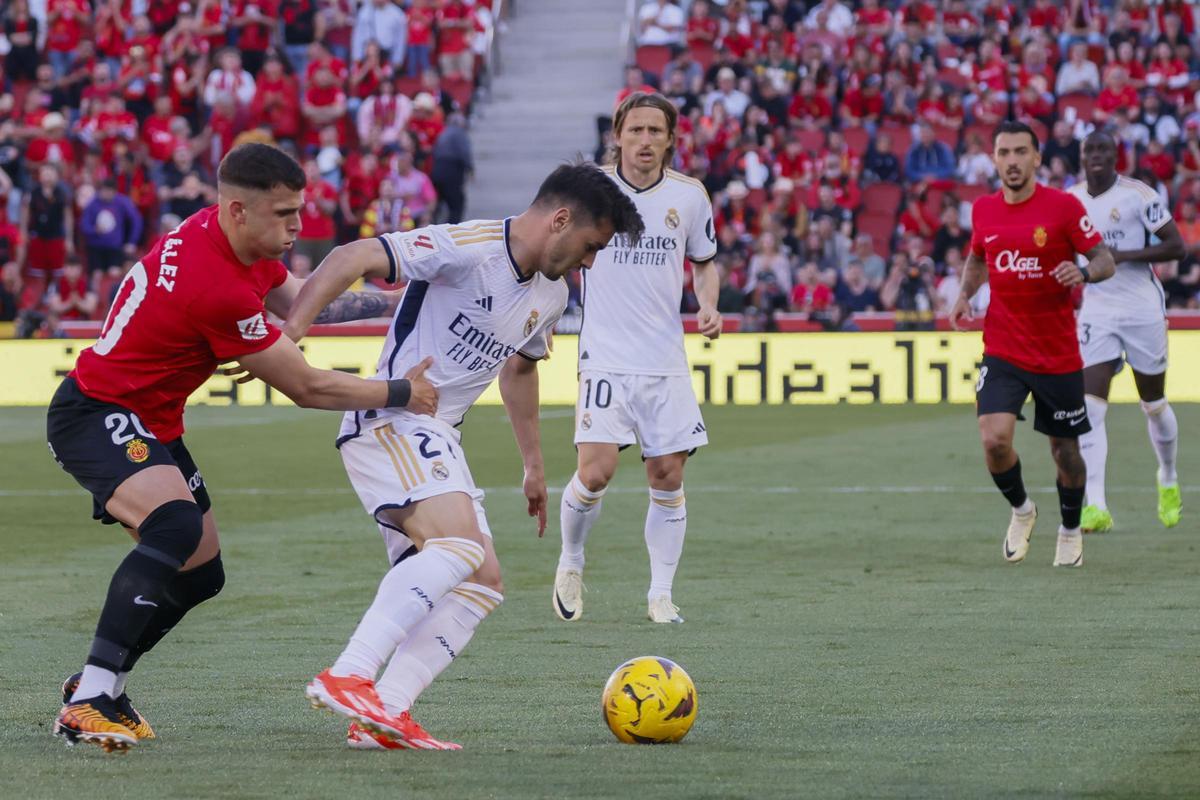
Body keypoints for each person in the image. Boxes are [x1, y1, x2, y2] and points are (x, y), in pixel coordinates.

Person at [46, 143, 426, 754]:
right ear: (237, 210)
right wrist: (405, 392)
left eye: (299, 210)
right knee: (173, 527)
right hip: (97, 412)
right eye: (284, 214)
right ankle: (89, 699)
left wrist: (403, 299)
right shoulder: (214, 285)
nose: (297, 225)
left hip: (152, 421)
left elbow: (302, 299)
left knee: (202, 574)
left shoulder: (231, 240)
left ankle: (102, 688)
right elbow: (306, 387)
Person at [286, 163, 643, 749]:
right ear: (560, 220)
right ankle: (349, 674)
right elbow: (353, 255)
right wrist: (292, 332)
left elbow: (520, 370)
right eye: (590, 247)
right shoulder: (470, 246)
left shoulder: (552, 294)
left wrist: (533, 465)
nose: (589, 263)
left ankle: (385, 714)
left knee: (482, 581)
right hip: (392, 418)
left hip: (438, 436)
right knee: (460, 548)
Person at [553, 92, 721, 626]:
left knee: (667, 475)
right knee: (595, 472)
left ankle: (660, 595)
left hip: (664, 360)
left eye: (655, 131)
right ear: (618, 135)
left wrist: (709, 305)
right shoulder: (590, 191)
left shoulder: (689, 196)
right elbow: (554, 256)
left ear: (670, 139)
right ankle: (571, 560)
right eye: (635, 130)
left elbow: (705, 262)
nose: (645, 140)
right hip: (604, 355)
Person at [950, 121, 1116, 569]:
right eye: (1004, 153)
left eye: (1021, 152)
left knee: (1065, 452)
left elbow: (1104, 260)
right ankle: (1023, 509)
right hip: (1003, 347)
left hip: (1057, 353)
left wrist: (1083, 272)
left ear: (1037, 158)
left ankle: (1069, 529)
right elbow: (978, 257)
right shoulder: (983, 209)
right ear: (994, 159)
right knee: (993, 440)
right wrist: (965, 294)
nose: (1012, 161)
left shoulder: (1063, 207)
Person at [1067, 131, 1185, 533]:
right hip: (1097, 310)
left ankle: (1167, 475)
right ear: (1082, 157)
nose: (1097, 155)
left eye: (1104, 149)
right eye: (1091, 150)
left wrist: (1121, 256)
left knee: (1153, 403)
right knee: (1091, 406)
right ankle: (1096, 506)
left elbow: (1177, 246)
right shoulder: (1070, 200)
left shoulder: (1139, 196)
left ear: (1116, 157)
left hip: (1141, 308)